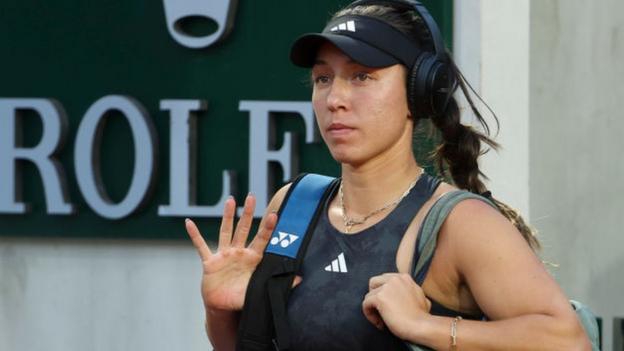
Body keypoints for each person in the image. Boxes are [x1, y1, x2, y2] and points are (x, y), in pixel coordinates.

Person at [185, 1, 591, 350]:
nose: (335, 99)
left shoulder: (460, 223)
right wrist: (220, 311)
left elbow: (568, 340)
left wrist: (427, 327)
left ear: (418, 93)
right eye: (323, 78)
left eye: (362, 76)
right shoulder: (294, 205)